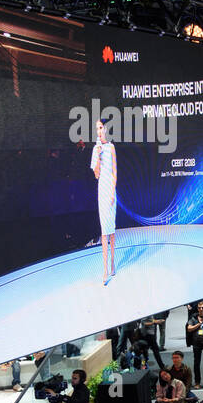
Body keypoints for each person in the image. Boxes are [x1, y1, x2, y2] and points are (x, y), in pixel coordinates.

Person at [89, 118, 119, 285]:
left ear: (105, 129)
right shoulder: (96, 149)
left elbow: (115, 171)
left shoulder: (112, 147)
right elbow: (96, 174)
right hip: (101, 190)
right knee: (104, 230)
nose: (99, 131)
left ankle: (113, 262)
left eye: (101, 128)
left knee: (112, 229)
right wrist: (98, 156)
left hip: (111, 191)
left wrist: (113, 192)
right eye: (97, 128)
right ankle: (105, 269)